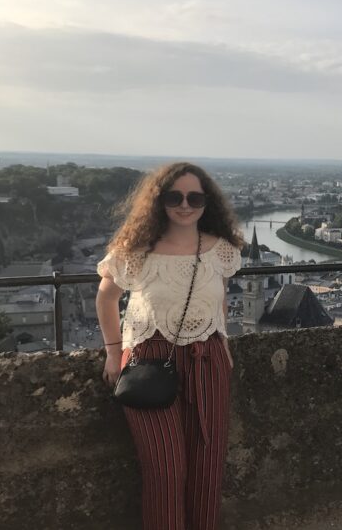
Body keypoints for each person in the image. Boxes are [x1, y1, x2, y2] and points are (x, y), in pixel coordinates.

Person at [96, 162, 243, 530]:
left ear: (207, 202)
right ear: (158, 201)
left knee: (207, 470)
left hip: (208, 359)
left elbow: (219, 297)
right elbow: (106, 298)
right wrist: (115, 352)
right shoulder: (137, 250)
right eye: (174, 196)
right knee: (165, 471)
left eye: (194, 197)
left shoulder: (220, 251)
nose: (184, 205)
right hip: (149, 359)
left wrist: (222, 342)